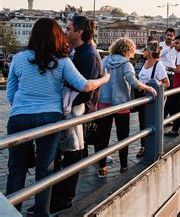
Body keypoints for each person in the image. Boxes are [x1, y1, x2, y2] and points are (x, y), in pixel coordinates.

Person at [6, 18, 110, 216]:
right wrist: (104, 78)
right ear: (55, 36)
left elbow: (11, 92)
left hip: (19, 117)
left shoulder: (19, 58)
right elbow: (84, 86)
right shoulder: (62, 60)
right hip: (49, 118)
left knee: (16, 169)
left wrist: (22, 108)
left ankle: (12, 211)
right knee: (45, 170)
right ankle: (41, 213)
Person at [49, 15, 102, 214]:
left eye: (69, 28)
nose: (66, 31)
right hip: (72, 112)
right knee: (65, 156)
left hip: (77, 114)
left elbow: (85, 90)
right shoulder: (78, 52)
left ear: (79, 32)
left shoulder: (87, 54)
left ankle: (63, 200)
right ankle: (58, 198)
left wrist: (65, 102)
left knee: (72, 156)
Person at [95, 37, 157, 177]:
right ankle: (123, 166)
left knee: (103, 136)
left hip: (104, 102)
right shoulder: (126, 64)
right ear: (128, 50)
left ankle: (102, 167)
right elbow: (133, 81)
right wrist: (148, 88)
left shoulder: (104, 61)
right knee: (123, 136)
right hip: (122, 103)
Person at [135, 41, 169, 157]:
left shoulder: (158, 65)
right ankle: (143, 145)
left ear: (149, 51)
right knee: (142, 122)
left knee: (151, 122)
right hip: (142, 97)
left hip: (152, 99)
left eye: (145, 49)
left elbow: (166, 82)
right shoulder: (145, 63)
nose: (143, 51)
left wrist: (153, 85)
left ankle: (152, 145)